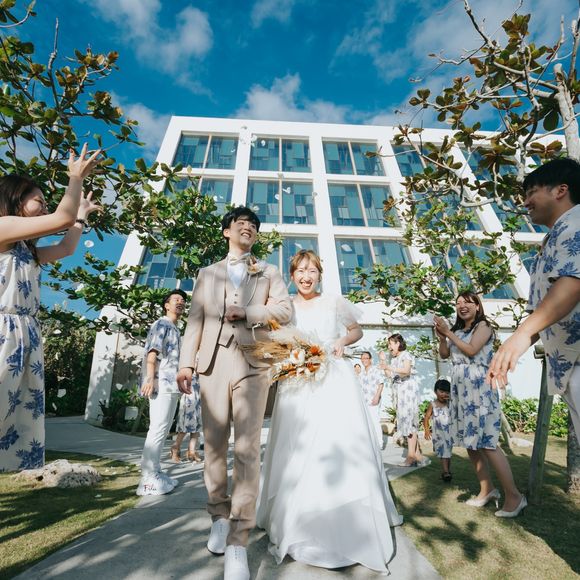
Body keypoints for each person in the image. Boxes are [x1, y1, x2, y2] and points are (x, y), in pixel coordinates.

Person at [257, 250, 402, 574]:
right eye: (300, 271)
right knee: (298, 448)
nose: (306, 276)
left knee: (334, 444)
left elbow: (356, 330)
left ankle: (342, 516)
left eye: (312, 271)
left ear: (319, 274)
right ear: (292, 275)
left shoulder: (334, 301)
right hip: (298, 382)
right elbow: (275, 337)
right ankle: (298, 518)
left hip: (333, 380)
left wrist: (340, 341)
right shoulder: (285, 306)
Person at [176, 207, 292, 580]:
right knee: (213, 444)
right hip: (212, 362)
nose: (248, 228)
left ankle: (238, 539)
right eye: (241, 223)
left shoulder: (269, 271)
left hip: (253, 362)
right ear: (227, 231)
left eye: (253, 225)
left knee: (247, 448)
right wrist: (186, 363)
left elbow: (284, 310)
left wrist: (248, 312)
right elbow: (195, 319)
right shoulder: (207, 273)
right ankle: (219, 516)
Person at [0, 145, 101, 473]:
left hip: (25, 336)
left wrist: (81, 216)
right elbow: (61, 218)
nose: (45, 206)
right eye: (39, 200)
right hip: (3, 333)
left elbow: (66, 247)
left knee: (17, 416)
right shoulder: (2, 228)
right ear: (15, 200)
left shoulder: (26, 250)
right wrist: (75, 178)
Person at [487, 158, 580, 443]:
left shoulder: (577, 223)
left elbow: (572, 284)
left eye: (531, 192)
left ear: (560, 190)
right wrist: (514, 348)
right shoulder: (551, 240)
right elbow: (544, 311)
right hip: (570, 365)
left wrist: (520, 335)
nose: (525, 202)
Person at [435, 291, 526, 517]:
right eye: (458, 303)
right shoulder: (456, 331)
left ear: (477, 306)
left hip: (479, 390)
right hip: (461, 392)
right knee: (471, 443)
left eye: (467, 302)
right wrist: (443, 337)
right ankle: (487, 490)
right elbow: (445, 355)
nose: (462, 305)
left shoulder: (483, 326)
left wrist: (448, 332)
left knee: (487, 443)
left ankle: (514, 496)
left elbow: (472, 350)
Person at [137, 289, 187, 496]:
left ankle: (156, 471)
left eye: (183, 300)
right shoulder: (161, 324)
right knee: (157, 429)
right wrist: (151, 379)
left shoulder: (175, 328)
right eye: (176, 299)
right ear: (166, 305)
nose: (180, 302)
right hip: (161, 384)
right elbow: (152, 353)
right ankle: (147, 479)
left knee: (164, 430)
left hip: (171, 385)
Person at [381, 334, 425, 467]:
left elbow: (406, 371)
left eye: (390, 344)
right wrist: (383, 362)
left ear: (398, 343)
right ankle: (417, 455)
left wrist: (390, 367)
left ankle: (410, 457)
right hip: (400, 394)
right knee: (406, 422)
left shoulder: (406, 355)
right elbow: (390, 375)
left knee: (409, 423)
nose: (389, 347)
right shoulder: (394, 359)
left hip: (408, 392)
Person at [423, 378, 453, 482]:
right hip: (438, 435)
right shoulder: (433, 404)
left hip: (449, 434)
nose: (444, 394)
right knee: (443, 452)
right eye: (442, 391)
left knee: (447, 453)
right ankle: (446, 472)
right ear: (435, 391)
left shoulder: (450, 404)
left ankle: (447, 471)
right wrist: (427, 430)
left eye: (447, 392)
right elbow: (426, 418)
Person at [171, 380, 203, 463]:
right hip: (190, 389)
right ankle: (175, 447)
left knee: (197, 424)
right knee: (186, 424)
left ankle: (192, 451)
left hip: (200, 390)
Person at [358, 350, 385, 449]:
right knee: (367, 422)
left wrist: (377, 396)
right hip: (364, 401)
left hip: (374, 400)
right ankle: (370, 442)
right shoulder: (361, 374)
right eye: (362, 358)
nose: (364, 360)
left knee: (375, 421)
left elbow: (381, 383)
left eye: (366, 358)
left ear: (370, 359)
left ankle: (379, 443)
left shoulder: (376, 370)